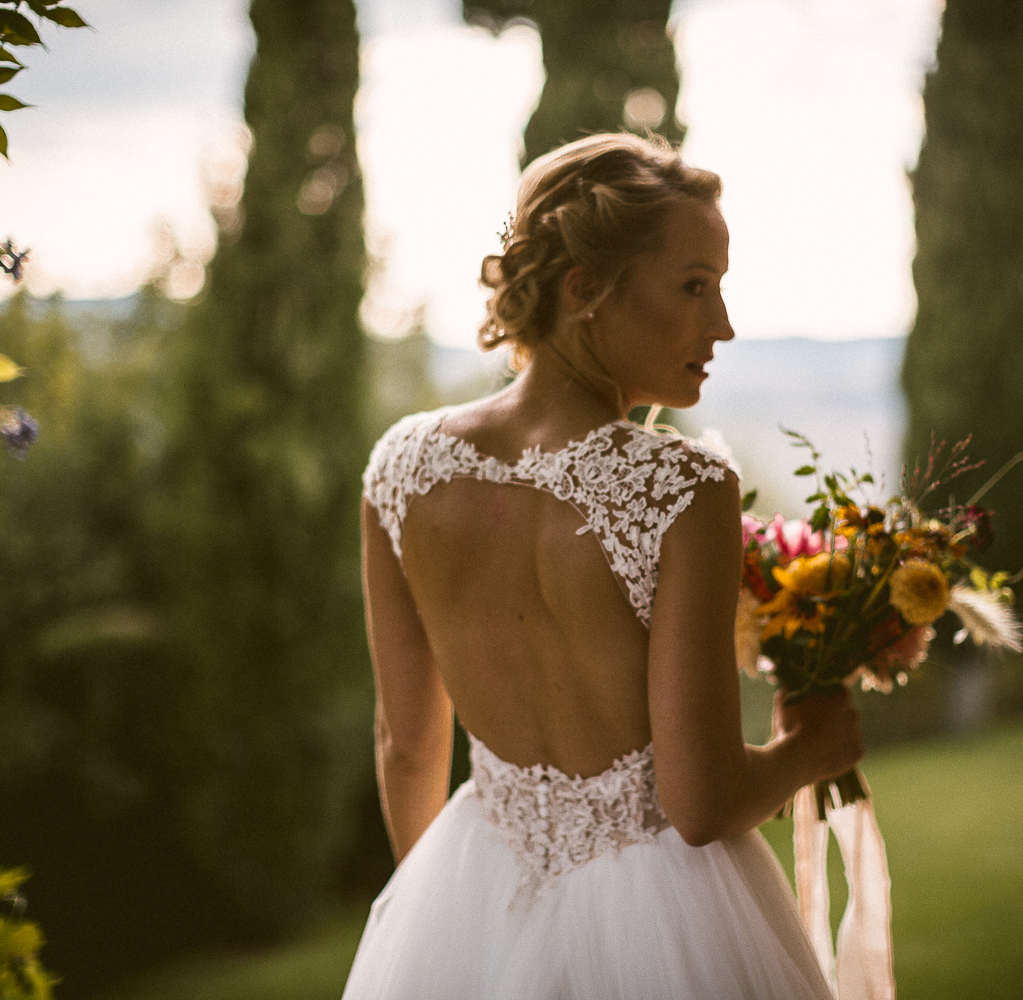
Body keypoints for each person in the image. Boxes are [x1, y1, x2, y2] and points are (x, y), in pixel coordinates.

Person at [344, 133, 864, 999]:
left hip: (472, 892)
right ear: (585, 290)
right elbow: (700, 805)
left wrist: (441, 925)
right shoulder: (685, 487)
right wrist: (811, 747)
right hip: (670, 929)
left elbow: (406, 746)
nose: (722, 325)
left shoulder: (399, 469)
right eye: (695, 286)